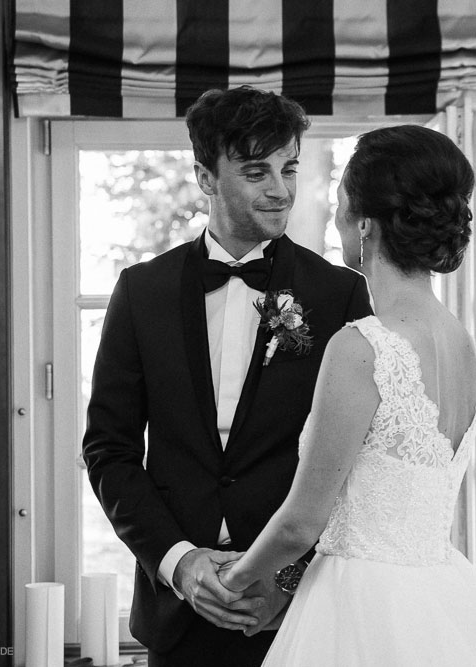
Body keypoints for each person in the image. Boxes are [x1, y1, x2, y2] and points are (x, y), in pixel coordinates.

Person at [81, 85, 372, 667]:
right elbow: (108, 451)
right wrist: (180, 562)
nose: (281, 189)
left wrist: (284, 585)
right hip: (177, 616)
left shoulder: (340, 293)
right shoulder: (142, 292)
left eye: (289, 168)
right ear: (206, 177)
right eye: (256, 171)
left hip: (299, 613)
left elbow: (363, 464)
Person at [217, 125, 476, 666]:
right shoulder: (462, 345)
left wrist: (231, 583)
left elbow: (300, 523)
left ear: (364, 225)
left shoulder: (363, 348)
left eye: (338, 206)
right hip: (440, 602)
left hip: (357, 606)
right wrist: (285, 589)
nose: (335, 222)